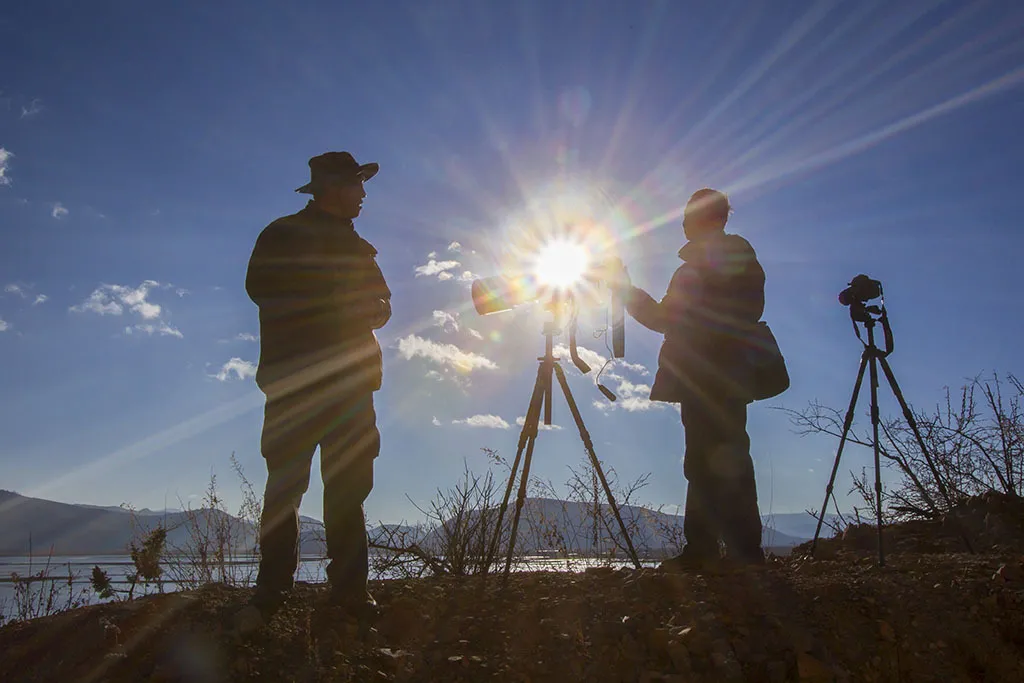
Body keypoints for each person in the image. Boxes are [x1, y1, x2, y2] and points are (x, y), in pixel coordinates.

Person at [235, 151, 392, 632]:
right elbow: (262, 289)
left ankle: (349, 593)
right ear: (333, 189)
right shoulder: (280, 235)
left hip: (351, 389)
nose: (365, 194)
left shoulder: (362, 249)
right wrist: (339, 304)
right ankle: (270, 592)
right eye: (357, 185)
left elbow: (382, 305)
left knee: (348, 492)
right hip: (295, 388)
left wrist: (362, 308)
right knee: (285, 490)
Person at [619, 188, 766, 569]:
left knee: (718, 459)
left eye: (690, 214)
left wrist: (625, 291)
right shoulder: (725, 260)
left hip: (710, 374)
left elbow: (664, 318)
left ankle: (728, 554)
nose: (683, 221)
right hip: (719, 375)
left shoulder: (712, 261)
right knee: (709, 459)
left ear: (713, 218)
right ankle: (727, 552)